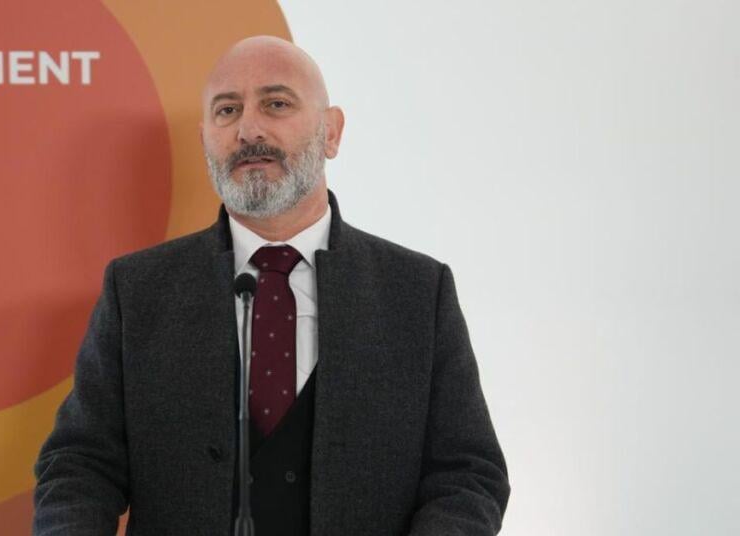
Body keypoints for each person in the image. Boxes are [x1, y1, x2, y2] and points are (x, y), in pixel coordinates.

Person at [33, 35, 510, 535]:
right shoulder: (137, 291)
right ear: (205, 139)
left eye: (276, 104)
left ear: (331, 132)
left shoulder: (417, 292)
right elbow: (80, 466)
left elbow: (467, 474)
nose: (248, 130)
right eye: (227, 111)